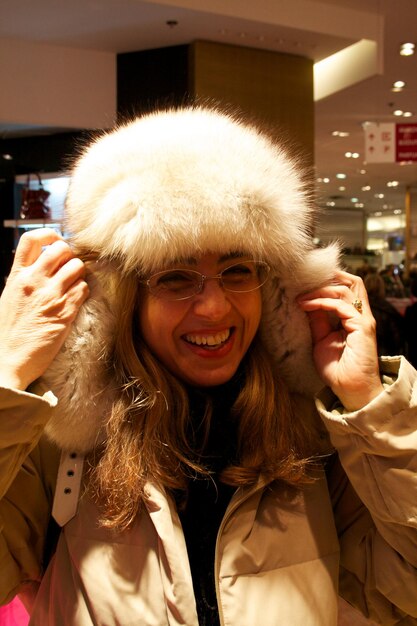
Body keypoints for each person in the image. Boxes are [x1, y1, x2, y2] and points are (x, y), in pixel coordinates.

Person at [0, 106, 416, 626]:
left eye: (237, 270)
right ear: (121, 299)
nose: (215, 308)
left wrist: (372, 406)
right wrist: (7, 378)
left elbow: (405, 593)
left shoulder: (318, 439)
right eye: (176, 278)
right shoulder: (56, 444)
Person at [364, 272, 406, 357]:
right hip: (384, 357)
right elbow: (397, 339)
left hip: (362, 354)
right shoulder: (389, 310)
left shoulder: (358, 309)